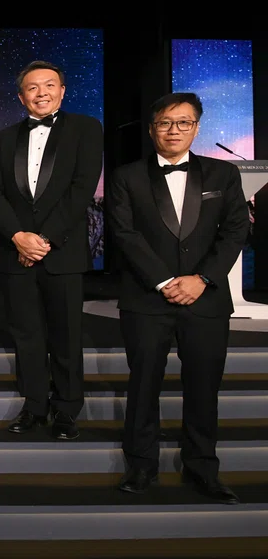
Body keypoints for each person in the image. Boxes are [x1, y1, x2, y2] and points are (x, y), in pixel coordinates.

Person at [107, 92, 248, 504]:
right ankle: (140, 466)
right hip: (147, 300)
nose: (174, 130)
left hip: (205, 301)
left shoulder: (223, 175)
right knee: (143, 385)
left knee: (204, 387)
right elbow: (125, 235)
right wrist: (166, 281)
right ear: (153, 129)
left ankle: (203, 468)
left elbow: (236, 230)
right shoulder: (126, 177)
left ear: (197, 128)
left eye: (183, 123)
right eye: (166, 123)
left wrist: (201, 279)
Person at [0, 61, 104, 440]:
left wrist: (43, 240)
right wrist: (19, 236)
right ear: (21, 97)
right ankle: (35, 406)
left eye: (49, 85)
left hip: (63, 253)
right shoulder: (4, 138)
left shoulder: (85, 129)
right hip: (16, 252)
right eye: (33, 88)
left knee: (66, 335)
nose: (42, 93)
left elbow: (82, 189)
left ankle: (67, 410)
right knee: (27, 335)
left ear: (62, 91)